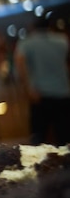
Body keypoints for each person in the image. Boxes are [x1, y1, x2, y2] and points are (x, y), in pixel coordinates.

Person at [15, 14, 70, 145]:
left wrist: (28, 88)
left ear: (33, 26)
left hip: (39, 95)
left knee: (38, 138)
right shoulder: (62, 40)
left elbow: (20, 63)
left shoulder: (26, 43)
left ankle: (40, 165)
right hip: (63, 93)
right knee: (65, 137)